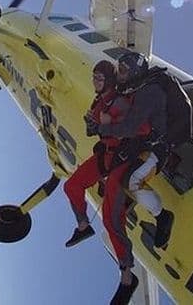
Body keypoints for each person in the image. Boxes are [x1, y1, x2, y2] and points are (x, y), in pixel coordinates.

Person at [96, 52, 174, 305]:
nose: (120, 75)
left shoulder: (149, 92)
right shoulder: (140, 89)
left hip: (156, 150)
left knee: (132, 181)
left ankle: (163, 217)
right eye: (119, 69)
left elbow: (130, 127)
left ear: (136, 71)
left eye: (124, 70)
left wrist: (103, 129)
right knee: (119, 183)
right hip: (142, 148)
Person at [62, 60, 130, 248]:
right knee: (71, 186)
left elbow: (125, 129)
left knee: (111, 220)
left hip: (118, 157)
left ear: (108, 80)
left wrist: (101, 126)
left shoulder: (119, 101)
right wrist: (93, 126)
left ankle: (126, 271)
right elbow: (94, 130)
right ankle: (83, 226)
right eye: (94, 77)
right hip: (105, 154)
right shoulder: (98, 101)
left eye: (99, 78)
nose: (95, 81)